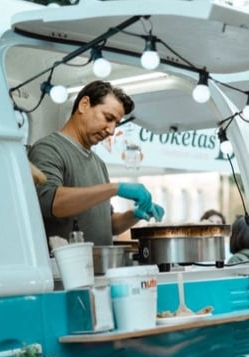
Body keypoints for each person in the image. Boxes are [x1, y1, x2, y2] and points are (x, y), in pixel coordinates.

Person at [28, 80, 164, 246]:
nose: (112, 130)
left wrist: (135, 214)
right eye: (108, 118)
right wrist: (115, 188)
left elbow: (109, 224)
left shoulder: (99, 164)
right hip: (64, 269)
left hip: (99, 266)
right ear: (84, 105)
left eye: (116, 123)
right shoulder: (49, 149)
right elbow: (51, 203)